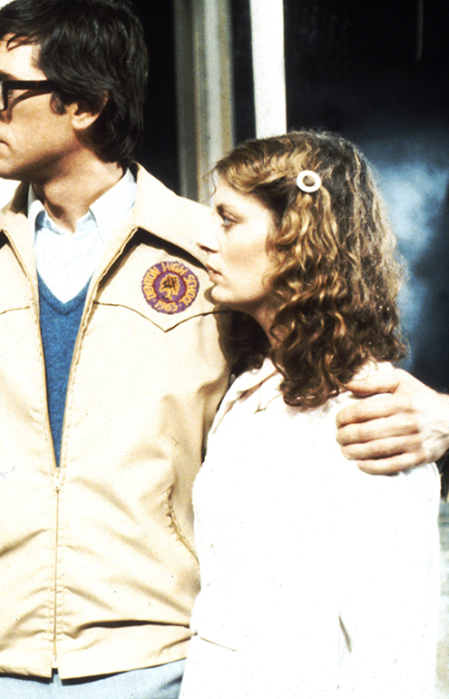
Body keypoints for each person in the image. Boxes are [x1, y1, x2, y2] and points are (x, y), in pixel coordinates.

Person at [0, 1, 449, 697]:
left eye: (3, 87)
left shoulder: (217, 259)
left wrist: (443, 415)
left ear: (85, 104)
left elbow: (322, 371)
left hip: (160, 672)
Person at [180, 131, 440, 698]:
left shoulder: (367, 415)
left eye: (228, 219)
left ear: (294, 239)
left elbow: (393, 656)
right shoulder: (249, 390)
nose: (204, 240)